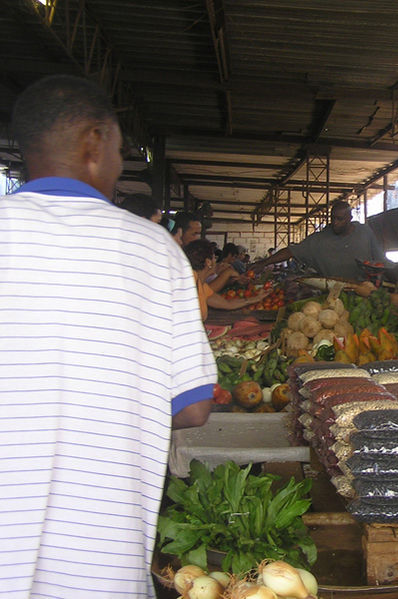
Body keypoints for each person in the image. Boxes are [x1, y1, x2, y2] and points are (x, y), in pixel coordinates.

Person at [0, 74, 215, 598]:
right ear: (94, 142)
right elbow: (193, 409)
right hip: (97, 568)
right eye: (121, 150)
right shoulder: (152, 249)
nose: (121, 167)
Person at [253, 199, 387, 280]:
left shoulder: (365, 232)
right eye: (332, 218)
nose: (335, 222)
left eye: (340, 219)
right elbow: (291, 251)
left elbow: (381, 262)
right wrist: (265, 262)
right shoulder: (319, 240)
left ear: (349, 219)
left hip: (364, 293)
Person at [184, 239, 266, 320]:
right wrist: (228, 273)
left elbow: (227, 304)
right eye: (214, 258)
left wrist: (256, 299)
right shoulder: (190, 286)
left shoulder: (202, 286)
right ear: (208, 262)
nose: (216, 261)